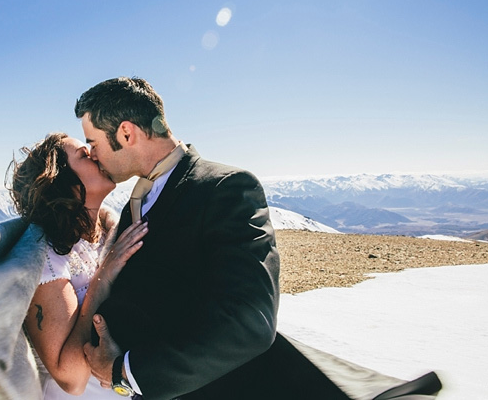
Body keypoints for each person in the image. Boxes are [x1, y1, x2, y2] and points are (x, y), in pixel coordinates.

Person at [77, 77, 442, 399]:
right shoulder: (132, 206)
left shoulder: (225, 187)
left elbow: (248, 322)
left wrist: (125, 372)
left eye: (93, 141)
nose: (92, 153)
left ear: (126, 133)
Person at [8, 132, 148, 399]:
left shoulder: (112, 233)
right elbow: (71, 379)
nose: (96, 155)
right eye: (84, 155)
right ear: (64, 182)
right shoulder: (47, 254)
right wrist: (103, 279)